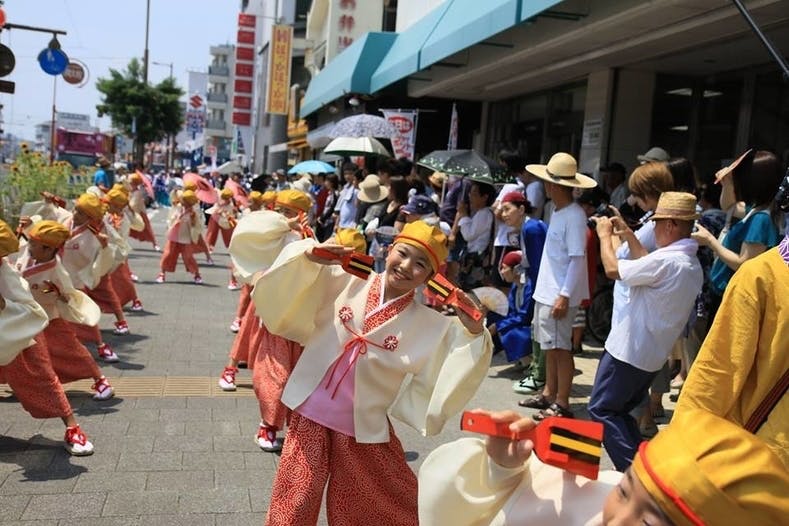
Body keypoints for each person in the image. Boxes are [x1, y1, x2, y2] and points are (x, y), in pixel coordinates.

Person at [253, 220, 492, 526]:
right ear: (389, 250)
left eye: (420, 265)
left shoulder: (431, 324)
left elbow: (460, 355)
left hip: (361, 426)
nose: (406, 267)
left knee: (374, 506)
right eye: (403, 254)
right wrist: (310, 255)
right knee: (295, 501)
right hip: (309, 413)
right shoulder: (347, 279)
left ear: (432, 278)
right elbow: (299, 277)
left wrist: (474, 331)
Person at [417, 407, 789, 525]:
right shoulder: (592, 494)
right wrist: (502, 469)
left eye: (647, 523)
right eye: (625, 491)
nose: (617, 520)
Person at [589, 192, 702, 471]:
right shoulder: (688, 263)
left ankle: (635, 476)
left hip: (628, 352)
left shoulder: (668, 262)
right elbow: (644, 262)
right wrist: (628, 235)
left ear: (671, 225)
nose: (653, 229)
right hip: (648, 356)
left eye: (656, 223)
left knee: (602, 410)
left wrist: (604, 236)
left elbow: (614, 268)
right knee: (619, 412)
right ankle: (645, 468)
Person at [675, 207, 789, 467]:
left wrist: (678, 454)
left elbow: (716, 376)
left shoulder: (763, 276)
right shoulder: (763, 277)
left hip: (762, 468)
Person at [0, 220, 95, 456]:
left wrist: (4, 305)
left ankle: (73, 426)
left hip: (20, 333)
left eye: (36, 244)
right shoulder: (24, 255)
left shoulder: (5, 271)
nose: (30, 247)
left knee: (43, 377)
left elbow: (32, 308)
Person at [519, 153, 595, 420]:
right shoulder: (560, 211)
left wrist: (564, 295)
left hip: (558, 293)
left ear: (553, 185)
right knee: (550, 346)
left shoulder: (573, 216)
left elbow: (577, 258)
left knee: (560, 348)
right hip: (550, 290)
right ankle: (550, 393)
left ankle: (562, 401)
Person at [13, 220, 114, 401]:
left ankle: (100, 381)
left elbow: (65, 295)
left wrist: (48, 292)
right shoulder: (29, 254)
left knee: (70, 351)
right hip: (25, 316)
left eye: (34, 244)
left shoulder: (56, 271)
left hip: (49, 319)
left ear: (48, 249)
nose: (29, 246)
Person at [692, 150, 783, 321]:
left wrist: (711, 242)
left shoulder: (760, 220)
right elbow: (729, 206)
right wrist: (727, 183)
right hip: (726, 292)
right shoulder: (761, 209)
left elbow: (743, 264)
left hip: (733, 296)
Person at [156, 190, 204, 284]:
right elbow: (171, 218)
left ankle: (196, 274)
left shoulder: (194, 211)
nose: (184, 203)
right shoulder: (178, 207)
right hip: (174, 234)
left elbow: (197, 225)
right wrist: (177, 218)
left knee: (188, 256)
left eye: (187, 202)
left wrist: (193, 219)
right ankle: (162, 274)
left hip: (185, 236)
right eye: (184, 201)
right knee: (168, 254)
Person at [457, 180, 496, 289]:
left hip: (476, 260)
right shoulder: (481, 213)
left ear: (485, 197)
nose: (470, 197)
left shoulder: (484, 213)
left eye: (474, 194)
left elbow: (468, 235)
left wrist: (463, 214)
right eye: (470, 193)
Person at [128, 171, 160, 251]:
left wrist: (127, 205)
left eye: (131, 183)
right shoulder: (130, 191)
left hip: (139, 213)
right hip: (130, 212)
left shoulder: (137, 192)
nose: (129, 184)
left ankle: (155, 244)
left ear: (135, 184)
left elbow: (133, 204)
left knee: (147, 230)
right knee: (124, 228)